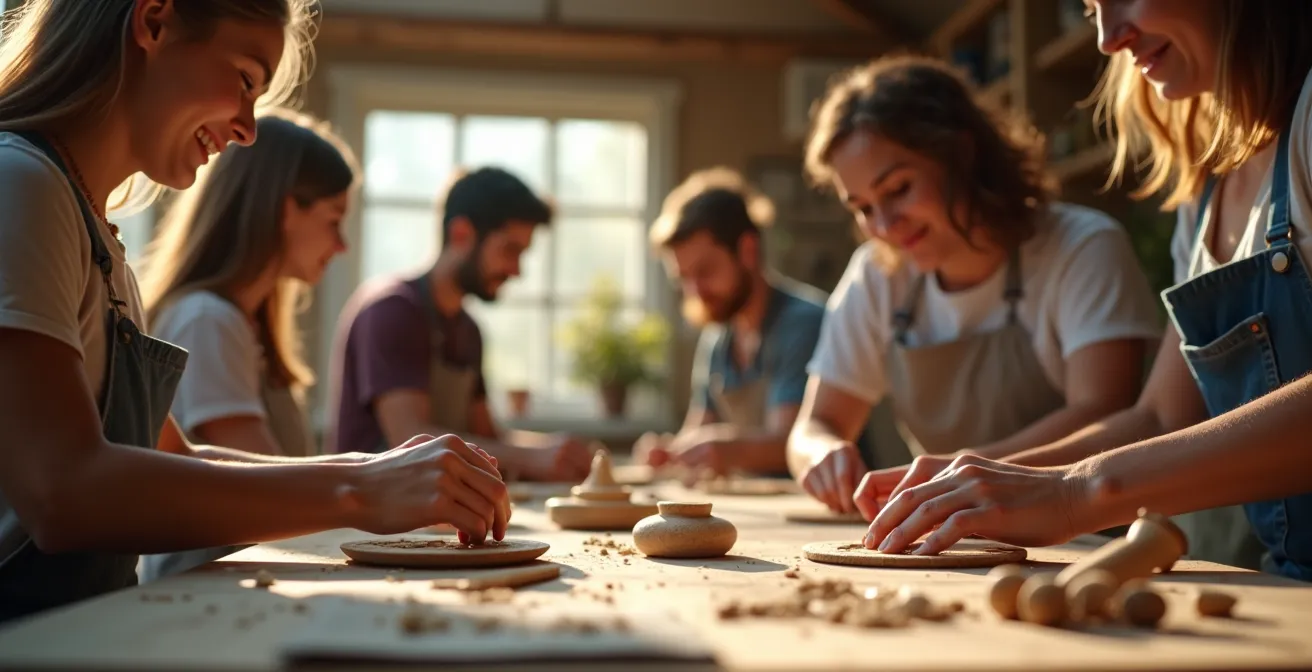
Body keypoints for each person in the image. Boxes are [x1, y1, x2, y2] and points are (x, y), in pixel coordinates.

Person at [0, 0, 509, 625]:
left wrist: (377, 470)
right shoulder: (18, 182)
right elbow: (63, 491)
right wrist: (361, 489)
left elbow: (179, 463)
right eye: (245, 79)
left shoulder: (99, 242)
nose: (247, 128)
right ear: (153, 22)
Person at [860, 0, 1312, 582]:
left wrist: (1077, 493)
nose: (1106, 39)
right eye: (1092, 7)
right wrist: (977, 479)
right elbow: (1159, 415)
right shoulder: (1205, 191)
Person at [787, 55, 1164, 515]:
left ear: (961, 155)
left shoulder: (1080, 248)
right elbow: (816, 424)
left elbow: (1105, 411)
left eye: (899, 189)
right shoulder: (877, 276)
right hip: (950, 533)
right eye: (862, 207)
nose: (884, 224)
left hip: (1091, 532)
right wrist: (822, 454)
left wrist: (960, 473)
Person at [135, 109, 357, 581]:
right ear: (283, 208)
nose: (342, 246)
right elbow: (265, 493)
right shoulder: (207, 322)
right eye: (334, 219)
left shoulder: (241, 326)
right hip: (202, 602)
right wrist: (384, 489)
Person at [327, 167, 593, 482]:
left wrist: (558, 451)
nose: (516, 270)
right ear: (461, 234)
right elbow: (408, 441)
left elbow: (489, 438)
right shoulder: (392, 310)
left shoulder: (468, 330)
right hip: (373, 525)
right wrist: (533, 458)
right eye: (510, 250)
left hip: (433, 518)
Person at [633, 167, 828, 479]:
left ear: (748, 250)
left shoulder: (803, 322)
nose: (695, 292)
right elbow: (697, 432)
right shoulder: (718, 339)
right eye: (684, 279)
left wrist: (725, 448)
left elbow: (791, 443)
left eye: (705, 271)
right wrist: (668, 451)